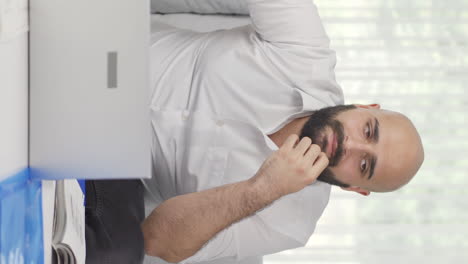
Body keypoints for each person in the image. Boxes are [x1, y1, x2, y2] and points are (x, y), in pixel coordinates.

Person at [142, 0, 425, 263]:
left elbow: (155, 240)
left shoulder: (291, 223)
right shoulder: (306, 53)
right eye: (368, 130)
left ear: (356, 188)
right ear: (365, 107)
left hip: (104, 167)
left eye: (364, 164)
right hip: (114, 50)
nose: (350, 145)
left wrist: (262, 190)